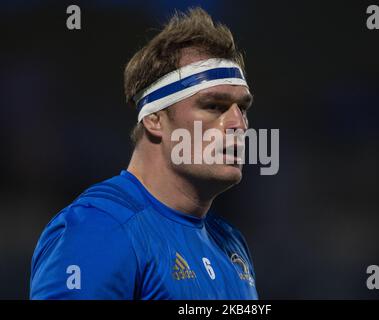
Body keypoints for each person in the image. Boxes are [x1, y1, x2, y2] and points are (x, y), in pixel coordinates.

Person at [30, 7, 258, 300]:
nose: (238, 124)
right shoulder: (99, 229)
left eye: (243, 109)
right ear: (154, 119)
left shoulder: (230, 244)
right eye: (213, 106)